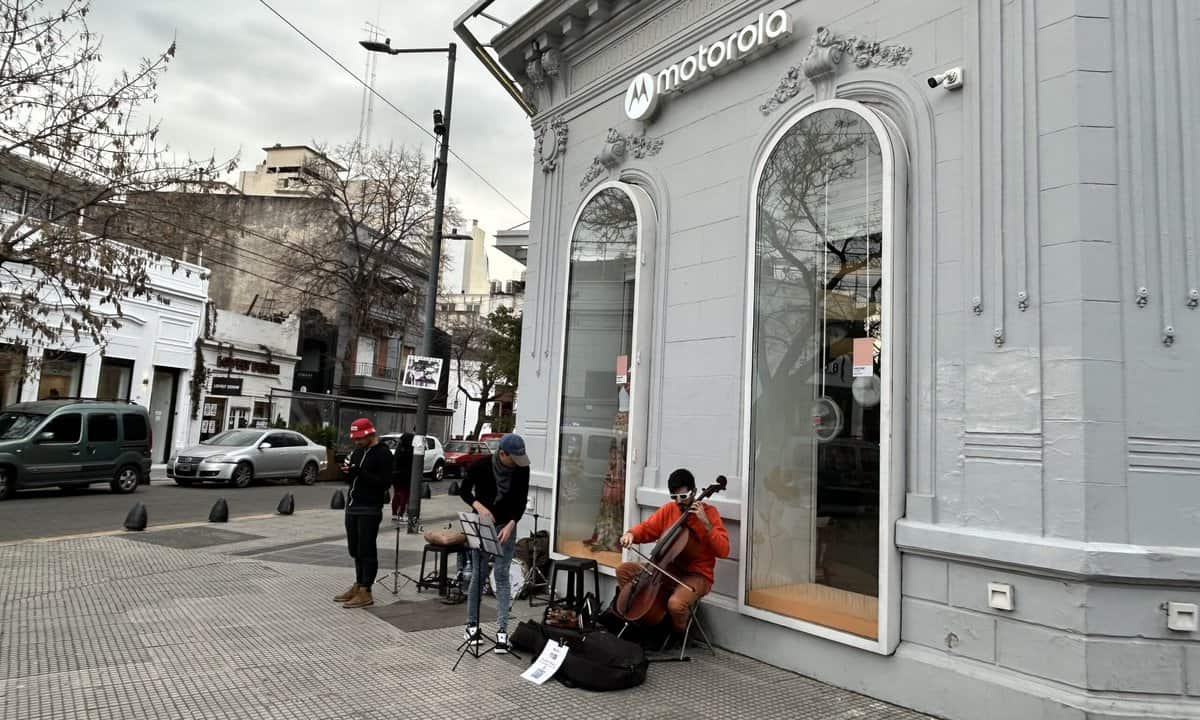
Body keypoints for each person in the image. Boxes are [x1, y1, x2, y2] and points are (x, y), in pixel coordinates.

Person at [617, 468, 729, 634]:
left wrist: (706, 524)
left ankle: (676, 633)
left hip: (697, 575)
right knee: (623, 571)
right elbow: (648, 528)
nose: (678, 502)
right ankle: (644, 616)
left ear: (695, 492)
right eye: (674, 497)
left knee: (676, 605)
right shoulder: (670, 509)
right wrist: (631, 534)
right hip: (667, 570)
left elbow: (724, 550)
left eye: (683, 497)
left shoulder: (709, 513)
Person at [459, 433, 530, 654]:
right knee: (478, 575)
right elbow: (464, 491)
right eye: (514, 458)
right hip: (482, 524)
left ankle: (502, 631)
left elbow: (520, 500)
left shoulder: (522, 468)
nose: (518, 462)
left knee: (502, 575)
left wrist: (511, 524)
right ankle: (471, 626)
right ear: (502, 453)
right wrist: (479, 506)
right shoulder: (480, 466)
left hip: (507, 525)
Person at [333, 418, 393, 609]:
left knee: (367, 548)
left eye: (360, 438)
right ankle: (358, 584)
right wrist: (348, 472)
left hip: (370, 508)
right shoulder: (358, 451)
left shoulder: (383, 453)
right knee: (354, 548)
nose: (357, 442)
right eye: (355, 439)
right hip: (352, 505)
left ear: (370, 434)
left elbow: (384, 482)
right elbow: (354, 476)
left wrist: (360, 472)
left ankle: (366, 589)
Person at [390, 431, 414, 522]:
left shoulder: (399, 449)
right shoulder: (410, 449)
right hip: (406, 476)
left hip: (396, 475)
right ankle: (401, 514)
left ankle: (394, 514)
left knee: (396, 494)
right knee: (405, 495)